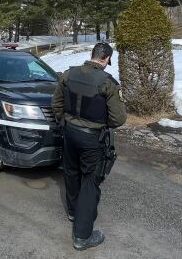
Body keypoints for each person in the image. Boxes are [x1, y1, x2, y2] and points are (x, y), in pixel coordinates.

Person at [52, 42, 126, 251]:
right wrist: (101, 126)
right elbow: (118, 118)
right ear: (106, 59)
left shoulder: (69, 74)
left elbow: (56, 103)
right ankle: (82, 236)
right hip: (92, 137)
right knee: (90, 181)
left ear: (92, 55)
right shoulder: (107, 82)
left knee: (72, 172)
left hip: (70, 132)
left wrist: (63, 122)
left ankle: (74, 212)